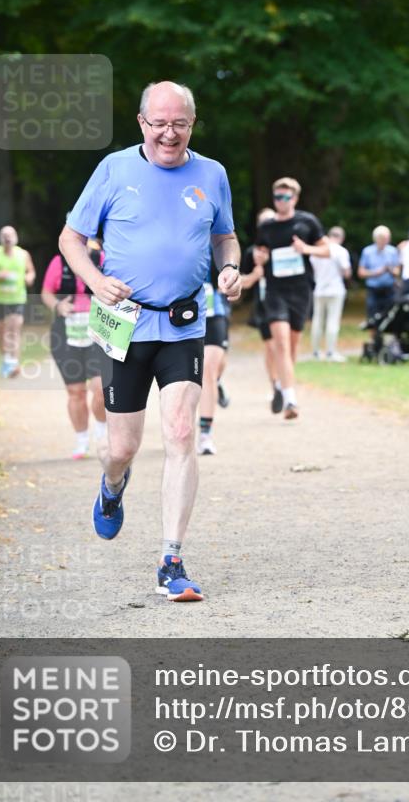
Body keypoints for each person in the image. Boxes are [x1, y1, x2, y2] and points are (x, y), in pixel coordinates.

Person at [59, 80, 241, 603]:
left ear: (192, 124)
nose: (169, 133)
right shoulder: (115, 169)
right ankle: (113, 486)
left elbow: (225, 235)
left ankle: (171, 559)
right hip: (123, 324)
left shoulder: (212, 174)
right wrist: (94, 281)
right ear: (141, 123)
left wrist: (230, 268)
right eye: (159, 122)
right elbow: (70, 238)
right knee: (122, 447)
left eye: (179, 123)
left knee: (181, 431)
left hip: (184, 322)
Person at [253, 177, 330, 420]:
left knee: (293, 345)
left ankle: (281, 385)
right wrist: (260, 257)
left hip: (301, 290)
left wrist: (306, 249)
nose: (281, 201)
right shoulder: (267, 227)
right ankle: (291, 400)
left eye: (285, 197)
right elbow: (260, 252)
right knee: (281, 344)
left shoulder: (307, 222)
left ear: (295, 198)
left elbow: (326, 250)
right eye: (277, 197)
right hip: (275, 291)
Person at [41, 237, 107, 459]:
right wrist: (58, 305)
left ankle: (101, 431)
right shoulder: (59, 263)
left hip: (97, 332)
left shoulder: (102, 259)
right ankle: (81, 440)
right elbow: (46, 293)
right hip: (66, 333)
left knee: (100, 389)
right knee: (75, 391)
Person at [240, 208, 283, 414]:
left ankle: (284, 384)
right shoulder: (251, 252)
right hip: (263, 305)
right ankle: (275, 384)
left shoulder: (282, 249)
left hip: (283, 302)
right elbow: (245, 281)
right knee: (271, 347)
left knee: (281, 346)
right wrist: (257, 272)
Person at [0, 226, 36, 378]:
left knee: (14, 330)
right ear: (0, 238)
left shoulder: (23, 254)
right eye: (4, 235)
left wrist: (29, 277)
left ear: (16, 236)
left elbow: (31, 271)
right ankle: (7, 358)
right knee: (1, 333)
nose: (8, 237)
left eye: (10, 234)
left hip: (17, 299)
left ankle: (14, 362)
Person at [197, 261, 232, 456]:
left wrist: (229, 274)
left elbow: (230, 249)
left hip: (213, 311)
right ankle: (177, 428)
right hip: (178, 315)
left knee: (208, 371)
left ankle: (205, 435)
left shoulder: (215, 235)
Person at [310, 225, 352, 361]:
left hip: (319, 289)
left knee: (317, 321)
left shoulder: (316, 251)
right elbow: (346, 272)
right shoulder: (341, 251)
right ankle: (330, 352)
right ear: (341, 238)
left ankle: (316, 352)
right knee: (332, 321)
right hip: (335, 289)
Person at [357, 225, 400, 320]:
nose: (385, 241)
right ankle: (373, 334)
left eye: (387, 238)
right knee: (372, 317)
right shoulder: (367, 251)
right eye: (383, 238)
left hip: (389, 290)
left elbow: (397, 272)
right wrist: (376, 272)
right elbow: (361, 272)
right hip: (373, 290)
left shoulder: (392, 251)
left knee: (390, 317)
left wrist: (390, 270)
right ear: (376, 238)